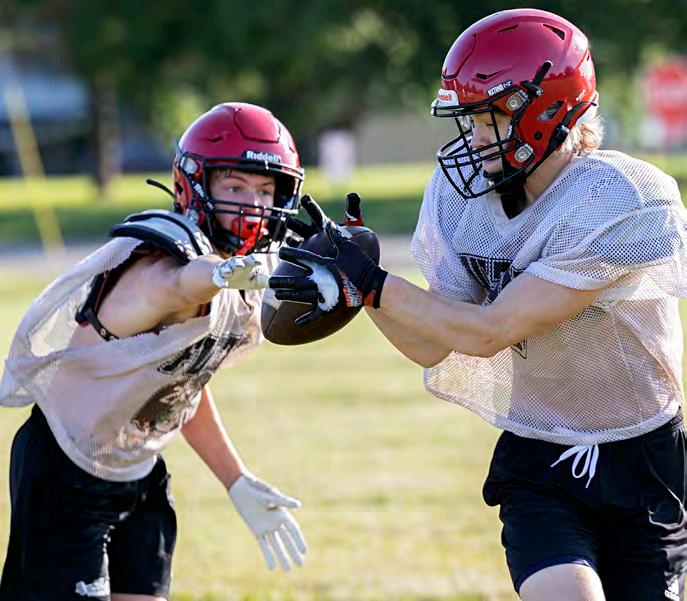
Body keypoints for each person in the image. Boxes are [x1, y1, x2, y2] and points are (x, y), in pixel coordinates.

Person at [267, 9, 687, 601]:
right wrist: (362, 291)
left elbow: (490, 330)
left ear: (549, 109)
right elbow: (432, 343)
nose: (477, 135)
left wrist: (376, 282)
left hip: (641, 457)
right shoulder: (462, 196)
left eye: (492, 116)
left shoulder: (618, 197)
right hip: (538, 452)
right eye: (469, 118)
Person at [0, 102, 310, 601]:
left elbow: (178, 383)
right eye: (234, 188)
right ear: (194, 187)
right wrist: (216, 275)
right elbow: (175, 284)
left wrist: (235, 479)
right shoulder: (161, 263)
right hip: (67, 469)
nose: (252, 206)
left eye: (265, 190)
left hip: (139, 475)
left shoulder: (241, 271)